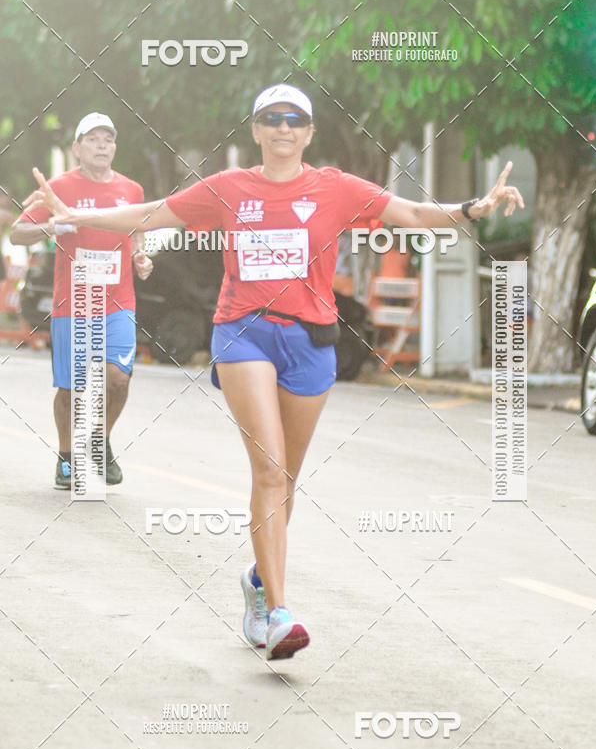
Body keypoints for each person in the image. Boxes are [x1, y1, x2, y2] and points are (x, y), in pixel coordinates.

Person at [24, 84, 524, 659]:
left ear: (309, 132)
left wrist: (472, 209)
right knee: (268, 471)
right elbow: (151, 212)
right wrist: (75, 214)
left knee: (286, 479)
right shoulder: (230, 187)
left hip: (311, 340)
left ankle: (258, 582)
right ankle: (280, 614)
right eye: (272, 118)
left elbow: (410, 213)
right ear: (257, 130)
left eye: (294, 119)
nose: (284, 127)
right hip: (243, 332)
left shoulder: (335, 186)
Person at [11, 112, 153, 489]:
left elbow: (138, 229)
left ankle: (99, 441)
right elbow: (17, 233)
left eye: (108, 139)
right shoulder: (58, 188)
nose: (102, 146)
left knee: (118, 379)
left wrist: (141, 254)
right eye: (93, 139)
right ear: (77, 148)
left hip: (118, 302)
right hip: (73, 304)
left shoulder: (131, 190)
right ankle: (66, 457)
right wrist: (51, 225)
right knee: (72, 387)